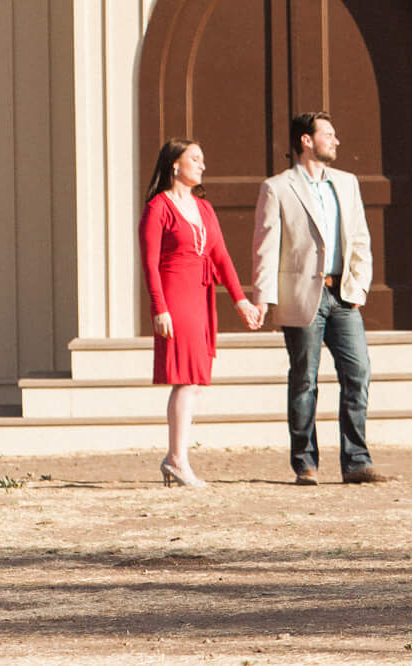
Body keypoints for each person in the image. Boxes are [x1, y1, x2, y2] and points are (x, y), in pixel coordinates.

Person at [251, 110, 389, 485]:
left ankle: (356, 461)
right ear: (306, 140)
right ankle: (305, 463)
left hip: (343, 295)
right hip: (301, 296)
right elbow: (266, 247)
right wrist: (262, 297)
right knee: (304, 381)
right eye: (328, 134)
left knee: (358, 374)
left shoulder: (347, 183)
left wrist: (360, 286)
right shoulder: (277, 188)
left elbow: (360, 238)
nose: (336, 140)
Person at [139, 137, 262, 488]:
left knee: (195, 380)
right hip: (175, 295)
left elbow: (220, 256)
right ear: (175, 164)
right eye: (195, 158)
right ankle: (177, 459)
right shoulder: (158, 207)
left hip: (201, 295)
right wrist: (159, 307)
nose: (202, 165)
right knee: (186, 377)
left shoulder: (204, 208)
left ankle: (176, 458)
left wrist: (241, 301)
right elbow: (149, 264)